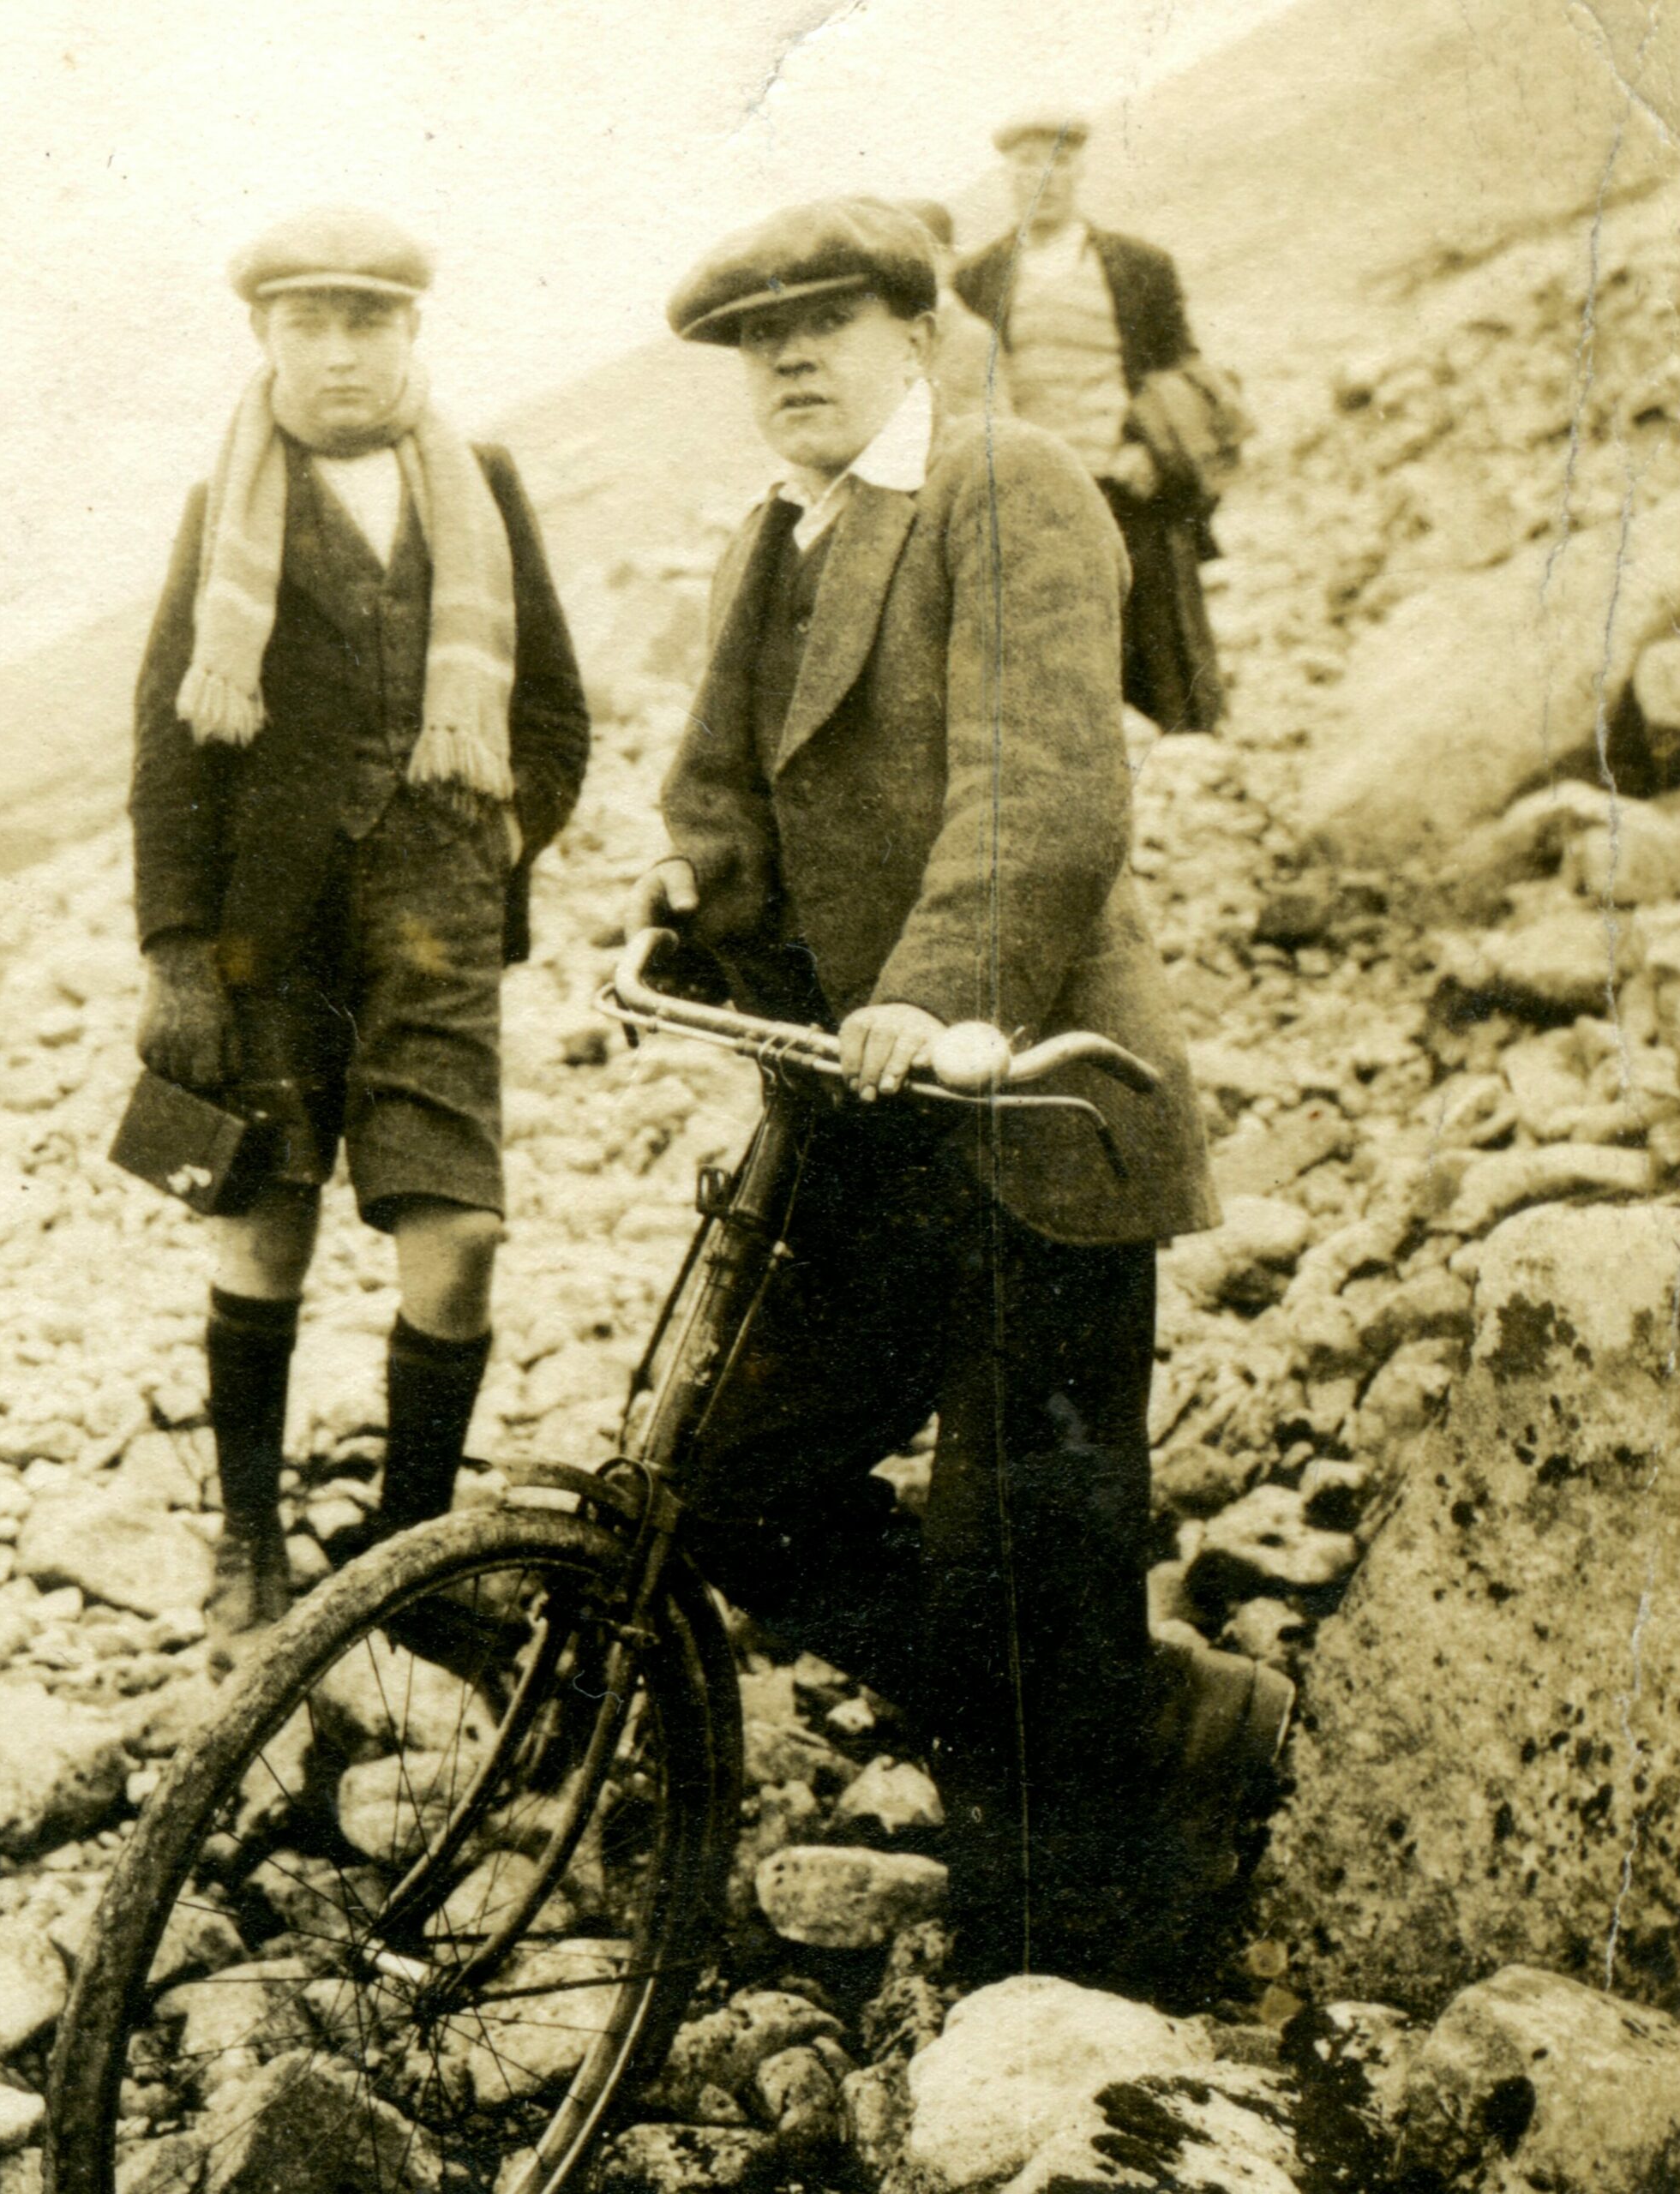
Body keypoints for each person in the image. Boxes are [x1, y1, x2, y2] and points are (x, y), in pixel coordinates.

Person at [629, 195, 1276, 1973]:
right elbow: (722, 792)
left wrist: (925, 994)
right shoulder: (774, 538)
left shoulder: (1006, 485)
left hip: (1031, 1105)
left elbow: (1044, 792)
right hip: (869, 1125)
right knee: (723, 1475)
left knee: (1025, 1549)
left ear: (912, 326)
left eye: (818, 322)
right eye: (751, 342)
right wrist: (685, 895)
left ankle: (1081, 1988)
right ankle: (1137, 1712)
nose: (782, 362)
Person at [128, 207, 591, 1638]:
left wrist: (489, 851)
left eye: (368, 321)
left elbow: (554, 711)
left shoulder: (482, 482)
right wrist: (177, 957)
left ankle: (409, 1552)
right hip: (268, 936)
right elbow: (166, 747)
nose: (338, 351)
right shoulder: (228, 506)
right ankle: (250, 1541)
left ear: (411, 332)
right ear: (264, 337)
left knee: (458, 1240)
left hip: (438, 926)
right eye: (308, 323)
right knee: (261, 1235)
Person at [955, 114, 1228, 733]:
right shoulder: (977, 278)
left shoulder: (1140, 265)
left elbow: (1182, 365)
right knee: (1059, 657)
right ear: (1006, 174)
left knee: (1165, 655)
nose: (1041, 178)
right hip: (1040, 497)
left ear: (1079, 170)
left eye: (1056, 162)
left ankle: (1193, 782)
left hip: (1133, 486)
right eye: (1025, 164)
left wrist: (1150, 450)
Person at [897, 197, 996, 424]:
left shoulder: (972, 337)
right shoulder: (893, 331)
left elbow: (991, 428)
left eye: (928, 255)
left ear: (950, 259)